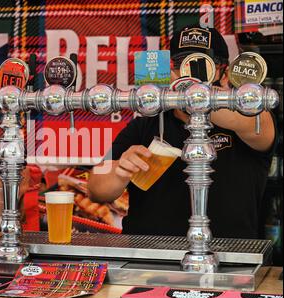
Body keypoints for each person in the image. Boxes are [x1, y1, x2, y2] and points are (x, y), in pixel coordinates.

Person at [88, 26, 277, 239]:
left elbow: (255, 123)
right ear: (171, 70)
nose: (191, 78)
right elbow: (95, 188)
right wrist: (119, 172)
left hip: (228, 258)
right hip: (148, 260)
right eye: (182, 66)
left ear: (225, 73)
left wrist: (189, 92)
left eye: (201, 66)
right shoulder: (147, 124)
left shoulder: (251, 118)